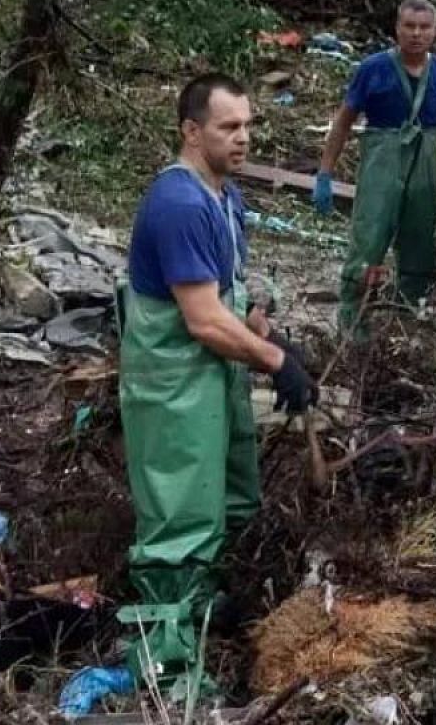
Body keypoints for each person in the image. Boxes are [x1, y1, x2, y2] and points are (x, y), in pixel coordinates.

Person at [118, 73, 318, 687]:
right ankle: (167, 658)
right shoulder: (178, 202)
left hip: (213, 374)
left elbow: (228, 297)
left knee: (228, 491)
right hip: (174, 377)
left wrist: (267, 334)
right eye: (228, 127)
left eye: (248, 125)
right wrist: (275, 363)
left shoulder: (224, 196)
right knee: (179, 508)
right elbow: (204, 320)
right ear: (191, 130)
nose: (243, 138)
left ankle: (206, 612)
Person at [314, 0, 436, 329]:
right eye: (409, 26)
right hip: (382, 161)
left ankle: (404, 327)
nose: (416, 34)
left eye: (424, 27)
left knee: (418, 246)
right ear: (397, 28)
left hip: (424, 164)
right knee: (369, 241)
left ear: (434, 32)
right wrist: (324, 173)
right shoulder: (373, 69)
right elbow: (343, 123)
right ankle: (352, 325)